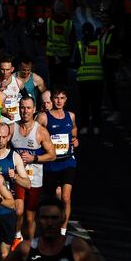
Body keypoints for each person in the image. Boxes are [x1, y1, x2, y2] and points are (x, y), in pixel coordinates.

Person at [13, 96, 56, 241]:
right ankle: (16, 237)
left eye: (28, 108)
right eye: (22, 107)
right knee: (18, 211)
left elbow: (52, 155)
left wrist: (35, 158)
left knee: (30, 215)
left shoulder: (41, 131)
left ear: (34, 110)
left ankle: (30, 245)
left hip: (34, 178)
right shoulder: (12, 128)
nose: (25, 111)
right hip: (18, 177)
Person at [38, 87, 77, 233]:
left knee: (66, 198)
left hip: (67, 161)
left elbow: (74, 129)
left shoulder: (71, 116)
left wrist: (74, 139)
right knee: (54, 197)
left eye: (62, 98)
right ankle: (50, 225)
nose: (59, 101)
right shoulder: (44, 117)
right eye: (56, 98)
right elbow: (35, 134)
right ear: (52, 99)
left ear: (66, 100)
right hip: (51, 163)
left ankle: (63, 230)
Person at [0, 122, 32, 256]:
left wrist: (15, 177)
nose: (0, 140)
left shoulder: (14, 157)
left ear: (8, 137)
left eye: (3, 137)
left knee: (4, 253)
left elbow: (27, 184)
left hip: (6, 210)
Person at [76, 22, 107, 135]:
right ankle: (96, 127)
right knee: (96, 104)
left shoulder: (80, 44)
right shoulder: (100, 44)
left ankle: (84, 126)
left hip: (83, 80)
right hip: (98, 79)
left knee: (84, 104)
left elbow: (76, 62)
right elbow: (104, 60)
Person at [0, 56, 23, 124]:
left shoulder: (18, 82)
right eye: (2, 69)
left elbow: (26, 98)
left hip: (15, 119)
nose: (5, 72)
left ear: (12, 69)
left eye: (7, 69)